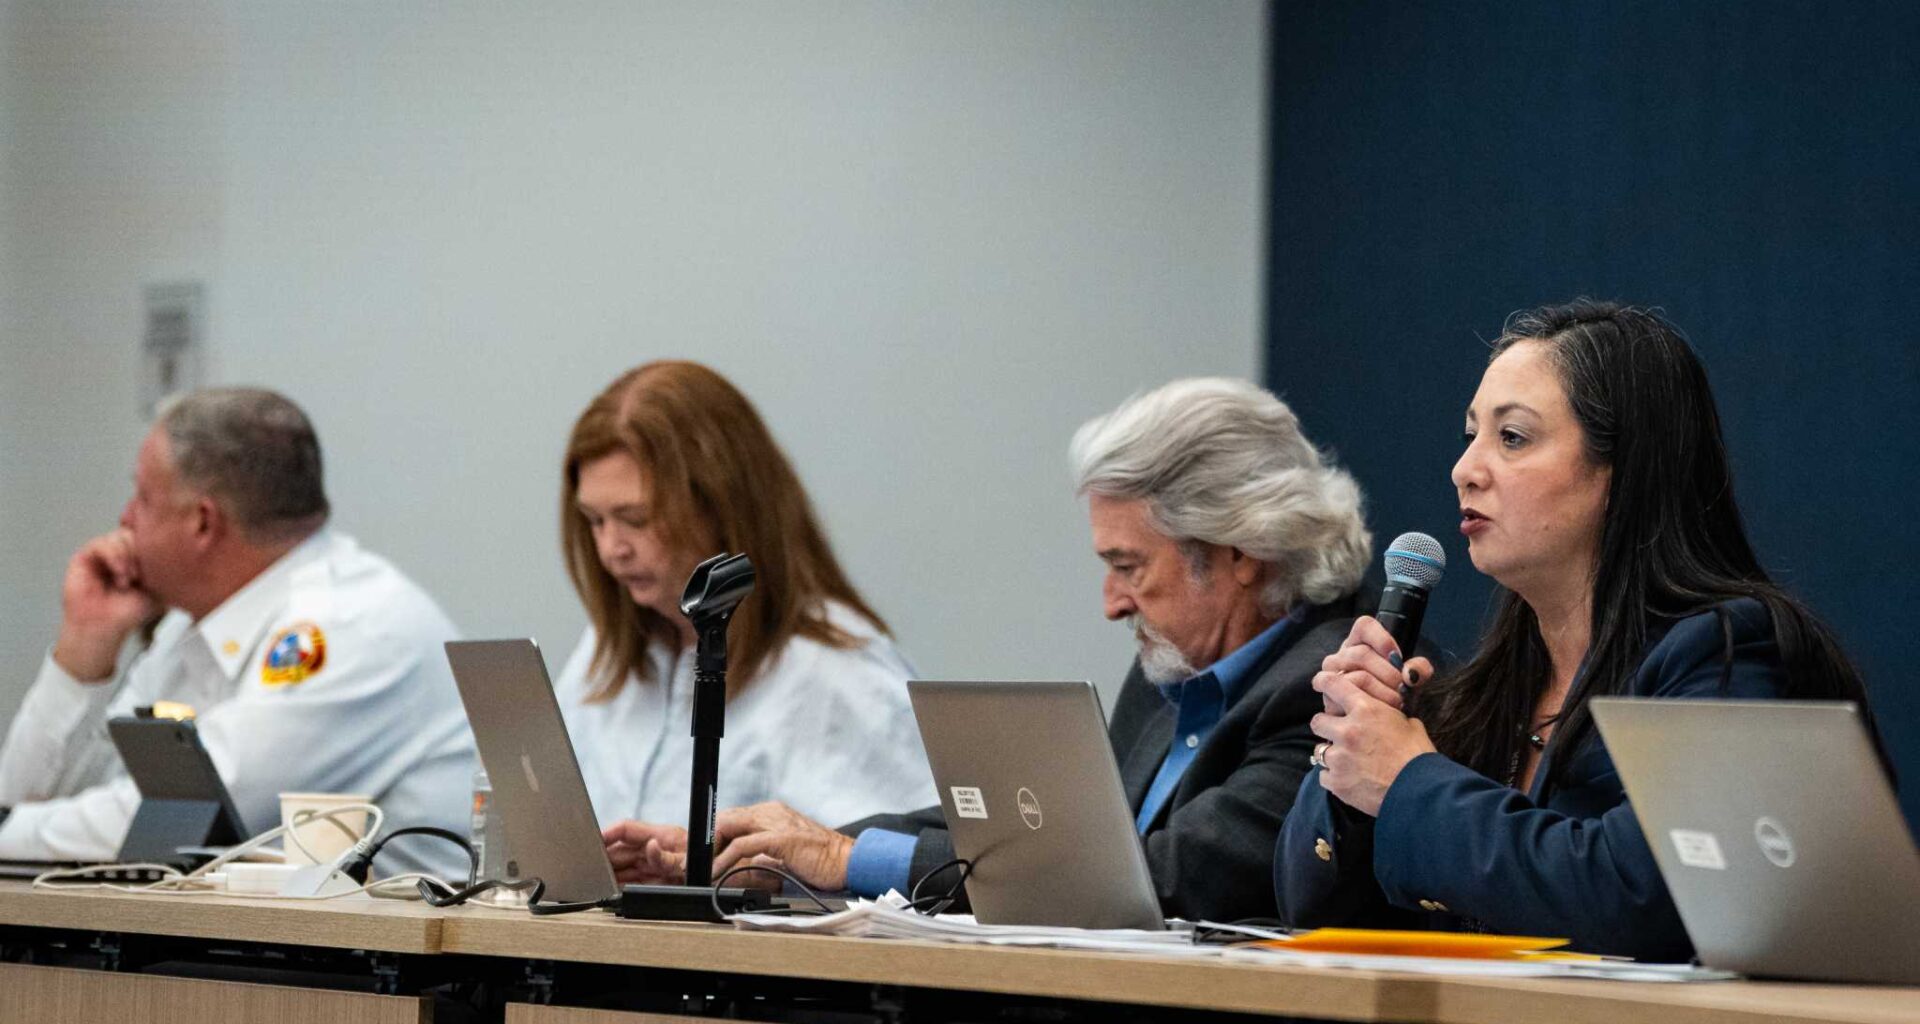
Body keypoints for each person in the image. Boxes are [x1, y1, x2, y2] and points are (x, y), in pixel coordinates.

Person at [604, 378, 1375, 922]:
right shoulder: (1176, 671)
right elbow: (1028, 834)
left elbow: (1162, 876)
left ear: (1241, 551)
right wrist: (790, 843)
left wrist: (844, 861)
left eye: (1128, 567)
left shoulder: (1340, 680)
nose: (1111, 605)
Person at [1275, 300, 1887, 961]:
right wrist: (1354, 750)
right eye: (1470, 436)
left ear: (1620, 471)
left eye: (1512, 438)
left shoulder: (1726, 657)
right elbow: (1312, 908)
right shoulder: (1485, 692)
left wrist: (1406, 781)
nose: (1465, 470)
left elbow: (1643, 897)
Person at [0, 388, 474, 877]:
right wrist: (84, 653)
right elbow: (30, 811)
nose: (124, 519)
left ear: (203, 522)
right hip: (247, 942)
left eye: (142, 497)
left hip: (399, 947)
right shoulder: (190, 625)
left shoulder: (353, 627)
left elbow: (184, 824)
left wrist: (9, 829)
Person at [554, 361, 933, 829]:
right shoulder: (602, 654)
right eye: (595, 520)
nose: (613, 550)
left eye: (636, 519)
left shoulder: (835, 672)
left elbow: (921, 882)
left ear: (722, 507)